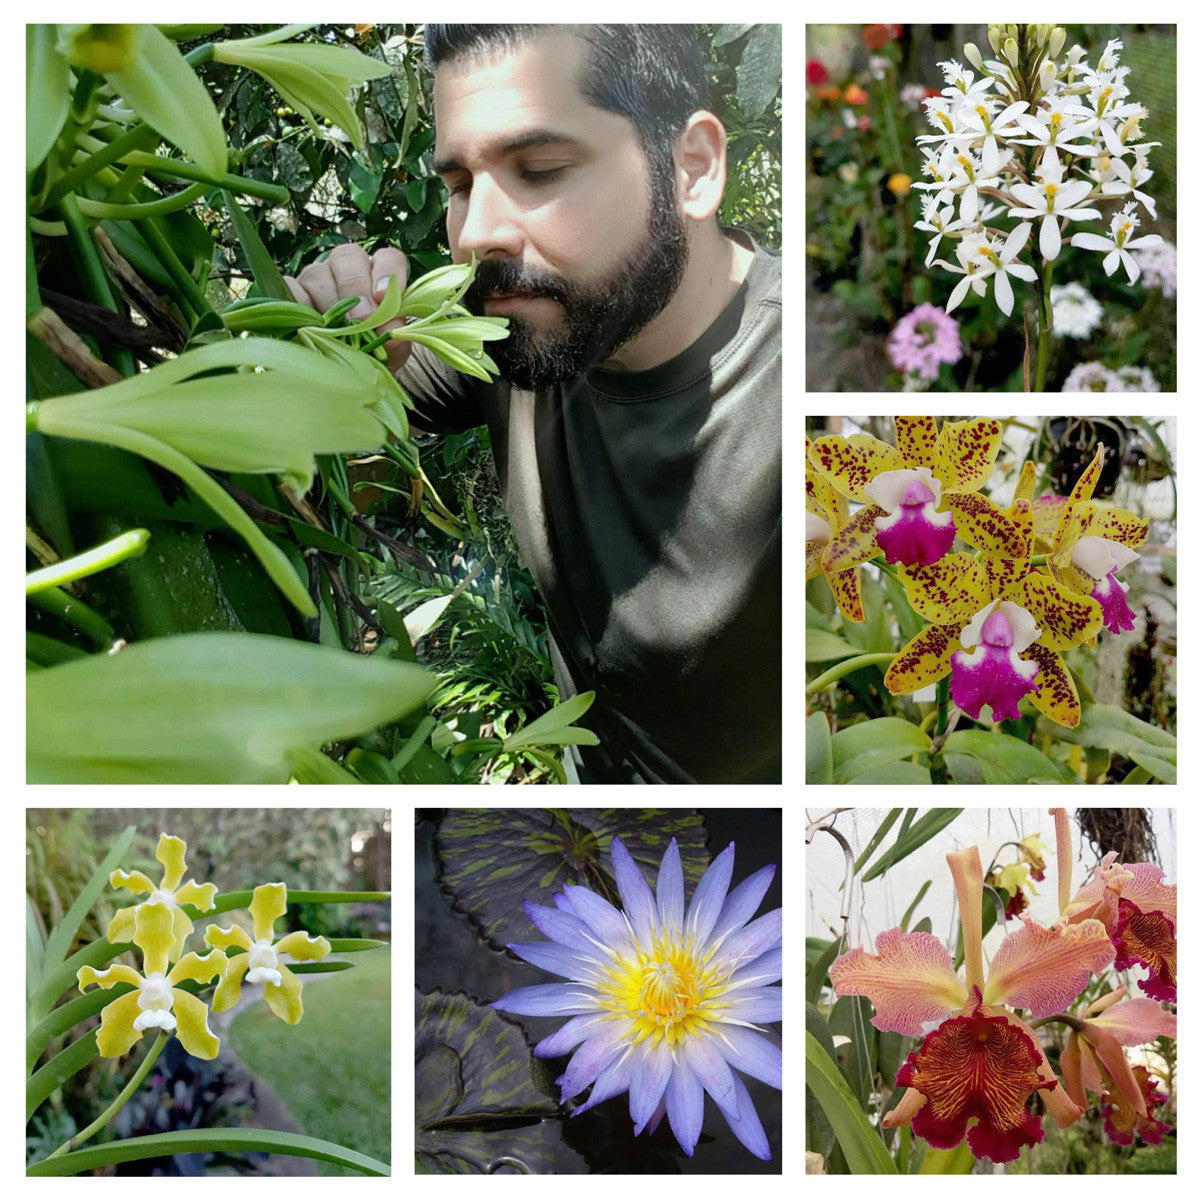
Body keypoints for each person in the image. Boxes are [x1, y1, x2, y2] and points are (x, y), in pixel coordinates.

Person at [286, 24, 780, 783]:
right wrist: (331, 346)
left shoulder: (799, 407)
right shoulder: (508, 333)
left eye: (540, 169)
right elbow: (330, 416)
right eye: (458, 186)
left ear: (693, 169)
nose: (478, 232)